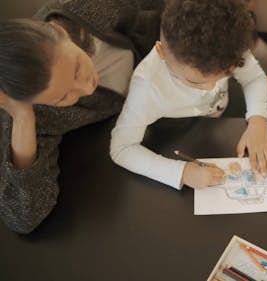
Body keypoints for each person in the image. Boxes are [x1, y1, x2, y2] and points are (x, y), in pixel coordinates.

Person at [0, 0, 163, 233]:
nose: (86, 88)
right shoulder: (39, 112)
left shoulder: (86, 8)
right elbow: (23, 216)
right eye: (64, 97)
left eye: (77, 68)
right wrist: (23, 117)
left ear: (60, 31)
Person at [110, 0, 267, 190]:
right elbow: (122, 148)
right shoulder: (147, 87)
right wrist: (182, 172)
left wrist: (258, 121)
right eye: (195, 82)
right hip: (176, 127)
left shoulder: (228, 44)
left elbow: (253, 78)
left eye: (224, 74)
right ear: (161, 52)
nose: (210, 87)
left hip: (222, 105)